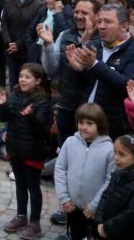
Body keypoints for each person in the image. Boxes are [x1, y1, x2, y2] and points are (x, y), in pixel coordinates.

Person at [0, 63, 54, 239]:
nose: (22, 79)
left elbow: (44, 128)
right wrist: (1, 106)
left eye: (27, 77)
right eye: (21, 76)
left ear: (37, 81)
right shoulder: (14, 95)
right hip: (16, 147)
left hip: (33, 150)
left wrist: (31, 116)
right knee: (20, 185)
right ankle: (21, 216)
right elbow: (3, 118)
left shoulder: (43, 101)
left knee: (33, 187)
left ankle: (35, 223)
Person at [66, 3, 134, 138]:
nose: (101, 26)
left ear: (124, 26)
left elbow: (128, 86)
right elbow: (80, 86)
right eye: (99, 21)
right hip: (84, 121)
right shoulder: (94, 45)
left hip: (112, 126)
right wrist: (77, 70)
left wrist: (95, 65)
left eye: (108, 22)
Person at [41, 0, 99, 148]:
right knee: (64, 149)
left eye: (84, 13)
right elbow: (52, 70)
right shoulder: (65, 34)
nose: (79, 16)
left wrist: (85, 42)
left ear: (96, 16)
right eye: (77, 11)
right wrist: (48, 45)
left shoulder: (101, 39)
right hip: (66, 104)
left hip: (89, 109)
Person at [54, 103, 115, 240]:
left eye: (89, 123)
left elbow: (110, 179)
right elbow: (60, 168)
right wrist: (64, 197)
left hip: (94, 209)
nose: (84, 127)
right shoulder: (70, 142)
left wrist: (94, 205)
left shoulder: (109, 149)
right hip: (72, 205)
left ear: (99, 124)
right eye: (81, 122)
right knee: (75, 234)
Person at [94, 133, 134, 239]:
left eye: (122, 154)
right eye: (115, 152)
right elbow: (105, 196)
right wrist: (99, 220)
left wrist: (106, 228)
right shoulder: (117, 174)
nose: (116, 157)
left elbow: (131, 214)